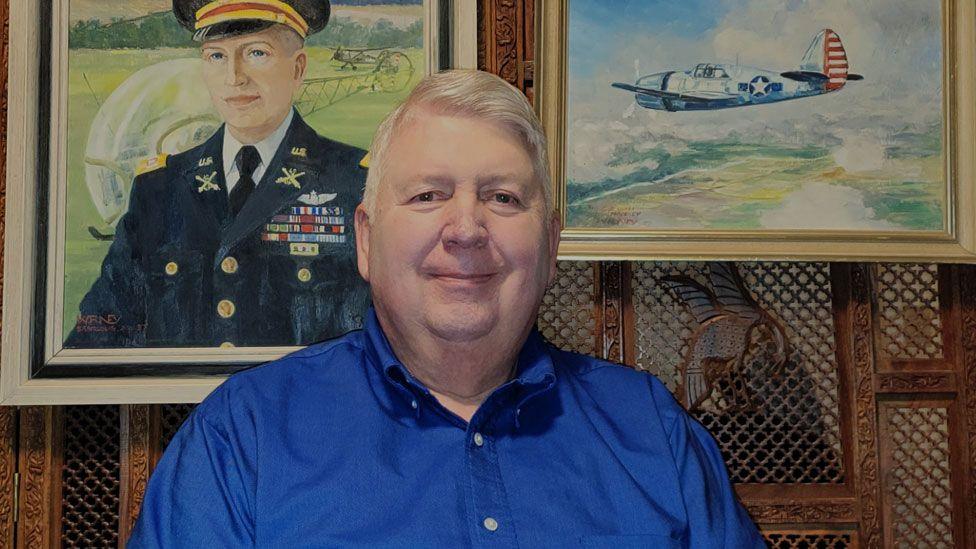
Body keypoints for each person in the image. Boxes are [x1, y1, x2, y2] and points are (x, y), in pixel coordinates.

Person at [128, 70, 764, 547]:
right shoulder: (243, 438)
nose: (466, 229)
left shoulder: (652, 430)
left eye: (504, 198)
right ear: (368, 240)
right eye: (429, 194)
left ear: (549, 246)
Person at [66, 0, 369, 348]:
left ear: (298, 68)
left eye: (256, 53)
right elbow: (97, 341)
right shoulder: (158, 190)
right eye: (216, 56)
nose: (234, 78)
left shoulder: (354, 184)